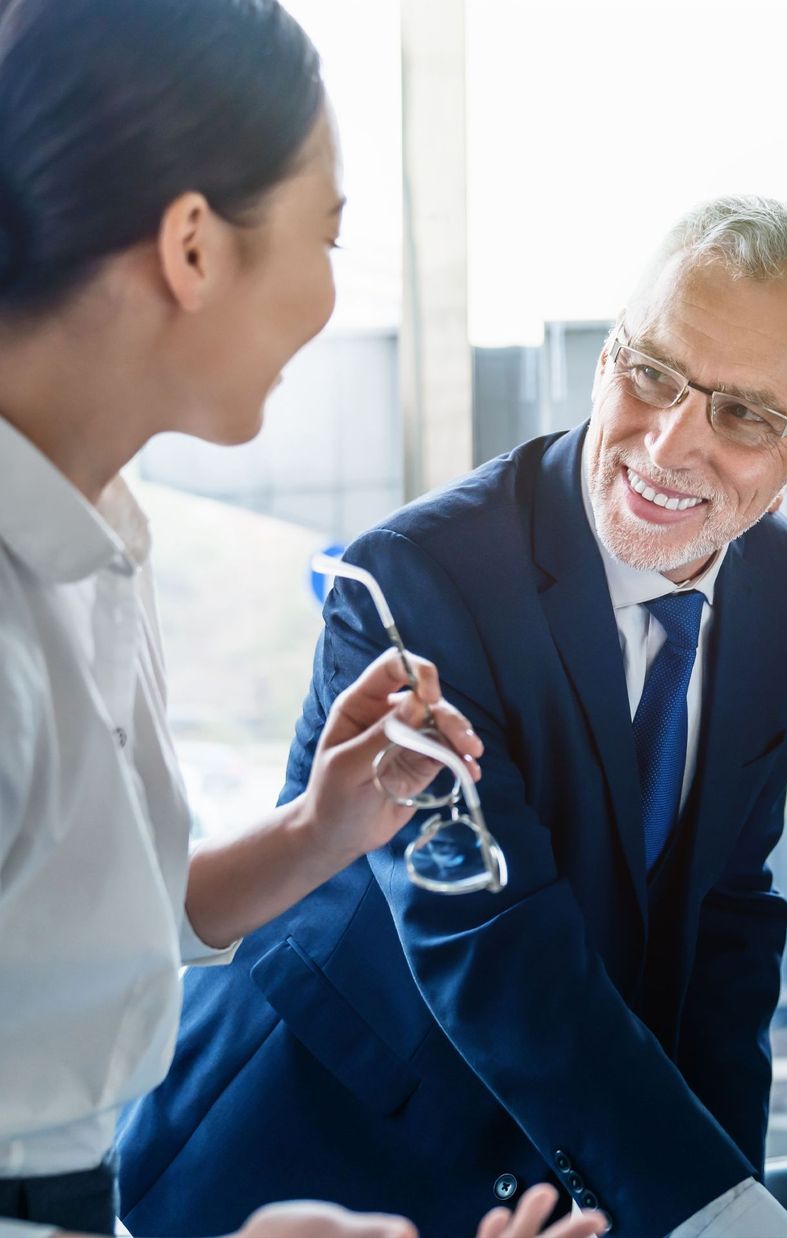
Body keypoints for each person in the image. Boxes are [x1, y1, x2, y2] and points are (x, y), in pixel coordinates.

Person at [118, 194, 787, 1238]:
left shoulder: (784, 591)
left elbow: (728, 928)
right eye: (650, 373)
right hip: (313, 1151)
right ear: (605, 359)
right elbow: (496, 945)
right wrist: (713, 1213)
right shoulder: (413, 585)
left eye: (739, 415)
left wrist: (729, 1195)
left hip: (568, 1186)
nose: (669, 442)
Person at [0, 3, 609, 1238]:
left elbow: (68, 925)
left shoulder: (97, 525)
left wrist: (316, 830)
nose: (334, 294)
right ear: (191, 246)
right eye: (327, 235)